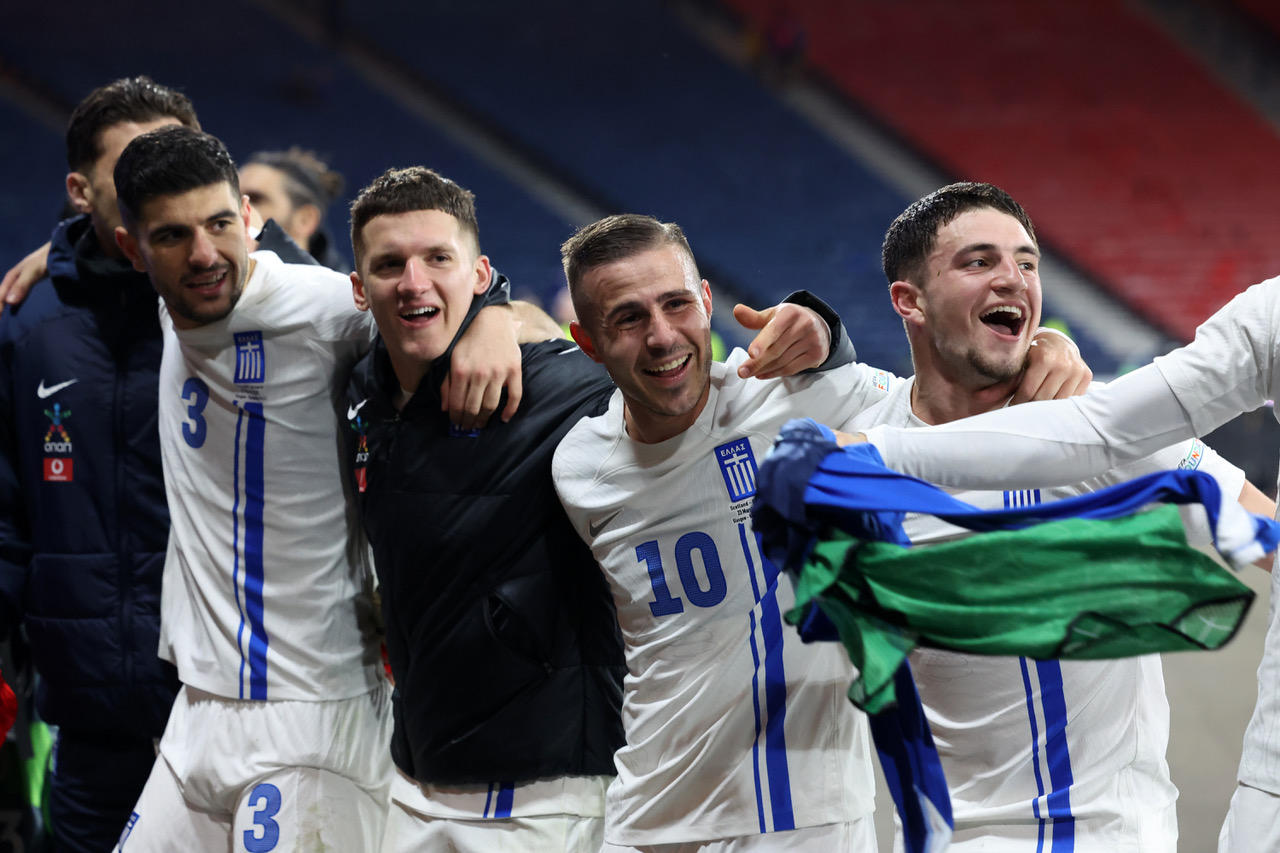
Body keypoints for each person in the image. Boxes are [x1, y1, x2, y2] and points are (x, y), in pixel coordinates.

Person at [345, 167, 855, 852]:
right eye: (389, 264)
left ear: (479, 273)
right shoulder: (362, 388)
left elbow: (683, 384)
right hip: (417, 771)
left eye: (439, 258)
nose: (414, 281)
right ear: (358, 287)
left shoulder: (557, 386)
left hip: (555, 787)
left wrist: (825, 329)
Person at [551, 213, 1091, 851]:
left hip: (807, 820)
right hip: (645, 818)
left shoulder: (806, 399)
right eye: (628, 318)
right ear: (587, 341)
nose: (663, 337)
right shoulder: (578, 468)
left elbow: (953, 392)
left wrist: (1050, 352)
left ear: (705, 301)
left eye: (676, 304)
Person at [107, 126, 525, 852]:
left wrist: (497, 316)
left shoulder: (326, 311)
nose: (204, 255)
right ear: (131, 250)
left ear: (248, 214)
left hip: (313, 714)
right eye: (173, 236)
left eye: (219, 224)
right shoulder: (171, 305)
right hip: (196, 714)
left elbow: (439, 306)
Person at [846, 181, 1273, 851]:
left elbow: (1265, 531)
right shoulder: (860, 446)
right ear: (910, 300)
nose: (1013, 279)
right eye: (979, 261)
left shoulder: (1109, 427)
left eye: (1027, 261)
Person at [0, 75, 197, 853]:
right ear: (81, 190)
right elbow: (8, 511)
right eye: (134, 178)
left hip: (232, 719)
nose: (160, 196)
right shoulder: (30, 325)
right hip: (89, 719)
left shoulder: (248, 307)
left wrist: (495, 311)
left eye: (178, 172)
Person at [239, 147, 350, 272]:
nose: (238, 209)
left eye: (255, 200)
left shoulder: (343, 290)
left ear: (305, 220)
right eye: (233, 198)